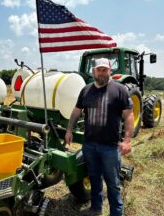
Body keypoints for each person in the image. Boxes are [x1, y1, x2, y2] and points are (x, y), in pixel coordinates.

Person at [65, 58, 134, 216]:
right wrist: (69, 130)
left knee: (113, 183)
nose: (101, 72)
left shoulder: (119, 90)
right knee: (95, 179)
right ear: (93, 71)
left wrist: (127, 140)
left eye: (105, 69)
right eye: (99, 69)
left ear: (110, 71)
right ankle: (96, 209)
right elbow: (77, 111)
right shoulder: (86, 90)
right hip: (89, 145)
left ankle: (116, 213)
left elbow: (129, 115)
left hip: (109, 146)